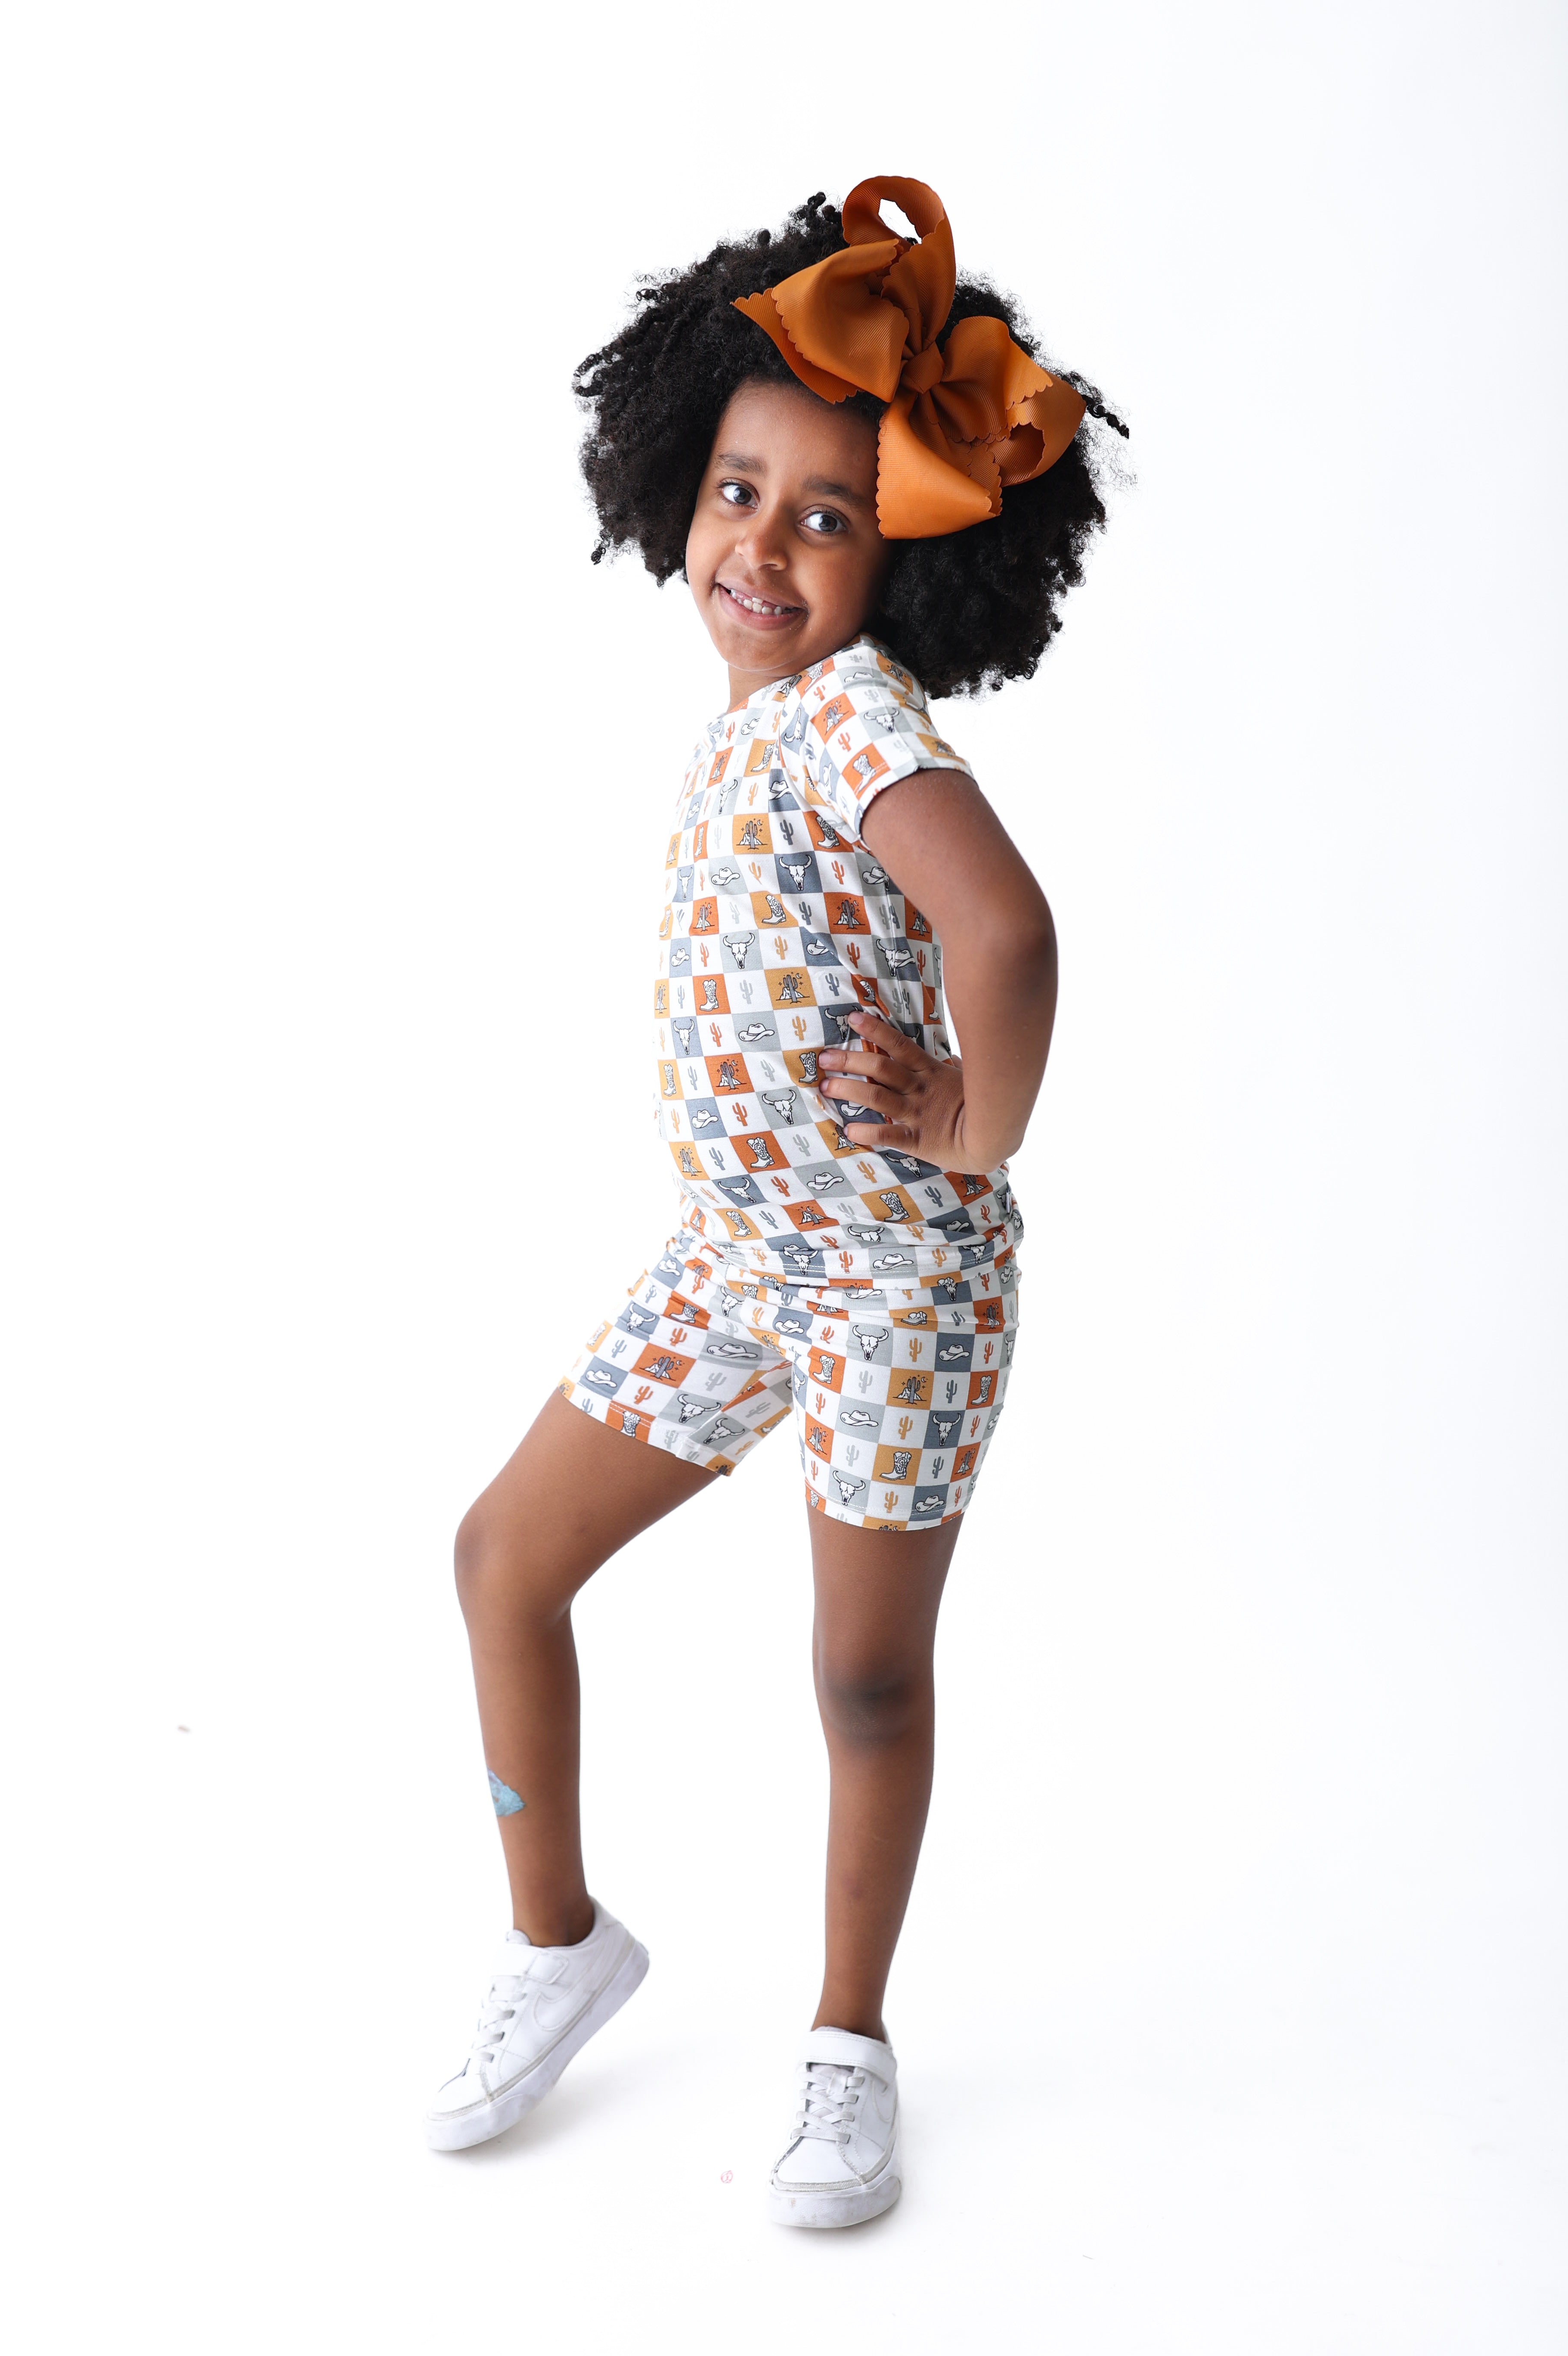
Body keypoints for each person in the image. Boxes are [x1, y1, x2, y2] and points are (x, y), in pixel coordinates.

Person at [425, 177, 1127, 2228]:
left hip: (897, 1276)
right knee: (505, 1557)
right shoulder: (748, 735)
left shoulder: (849, 718)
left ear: (906, 555)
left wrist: (972, 1131)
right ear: (677, 489)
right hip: (738, 1261)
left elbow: (1009, 932)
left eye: (828, 516)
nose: (763, 544)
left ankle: (847, 2043)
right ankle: (558, 1941)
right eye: (739, 492)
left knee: (863, 1681)